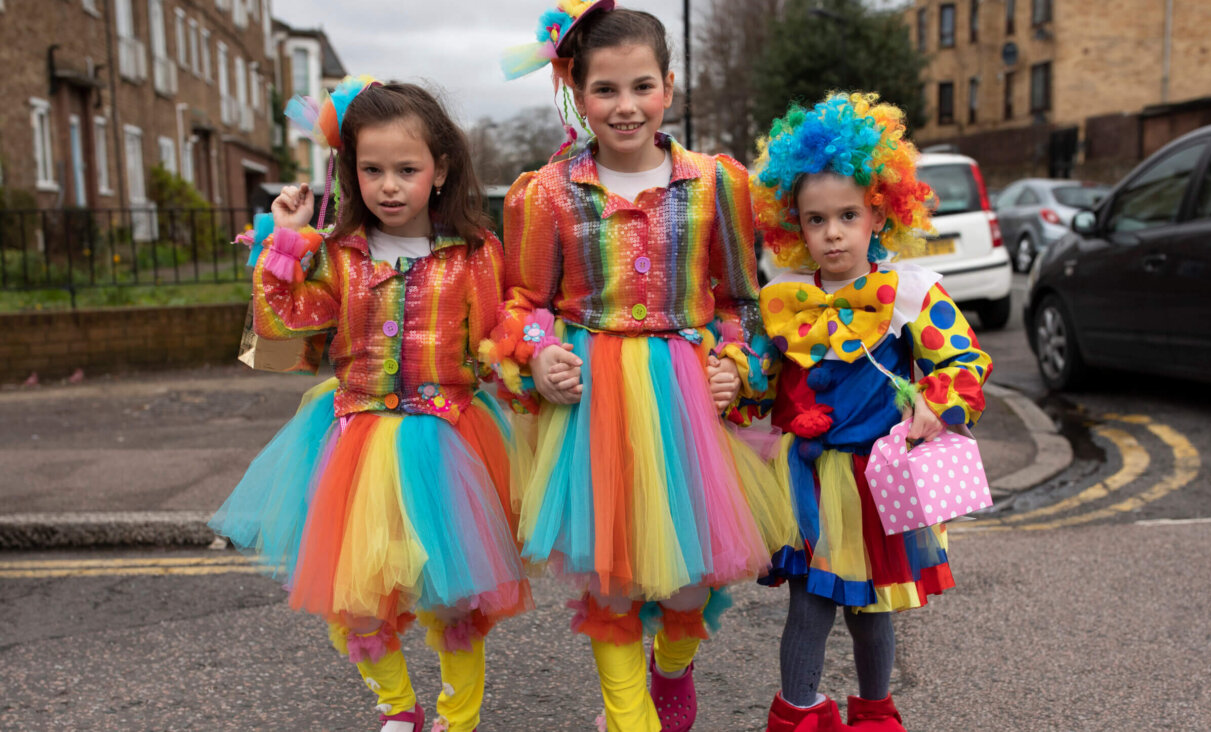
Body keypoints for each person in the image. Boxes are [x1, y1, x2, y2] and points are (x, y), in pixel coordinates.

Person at [487, 3, 795, 731]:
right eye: (606, 90)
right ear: (576, 91)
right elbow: (521, 301)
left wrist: (739, 364)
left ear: (670, 86)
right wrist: (538, 353)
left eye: (641, 87)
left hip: (687, 401)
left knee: (688, 587)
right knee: (613, 583)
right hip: (593, 406)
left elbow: (746, 303)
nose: (625, 107)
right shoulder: (547, 192)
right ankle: (632, 718)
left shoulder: (719, 184)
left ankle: (673, 669)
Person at [209, 76, 531, 732]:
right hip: (355, 440)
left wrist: (535, 366)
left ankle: (458, 719)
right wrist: (285, 242)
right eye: (372, 169)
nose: (388, 185)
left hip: (451, 443)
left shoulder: (476, 254)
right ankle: (397, 707)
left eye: (406, 169)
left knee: (457, 601)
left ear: (440, 170)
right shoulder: (336, 255)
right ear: (351, 172)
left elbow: (500, 341)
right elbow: (276, 329)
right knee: (355, 602)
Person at [748, 92, 993, 732]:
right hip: (806, 479)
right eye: (815, 219)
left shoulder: (912, 292)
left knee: (873, 608)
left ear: (879, 215)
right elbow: (756, 375)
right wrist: (732, 376)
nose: (832, 232)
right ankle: (799, 713)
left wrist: (937, 407)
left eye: (848, 215)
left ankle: (874, 712)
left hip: (878, 480)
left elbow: (963, 361)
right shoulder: (783, 300)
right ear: (793, 225)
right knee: (809, 607)